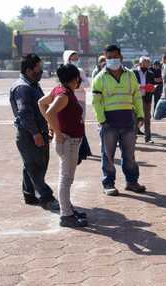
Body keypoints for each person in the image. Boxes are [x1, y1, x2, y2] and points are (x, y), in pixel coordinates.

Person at [92, 45, 146, 196]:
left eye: (115, 57)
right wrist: (102, 120)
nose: (112, 60)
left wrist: (140, 115)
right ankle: (108, 184)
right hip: (108, 123)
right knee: (108, 155)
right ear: (105, 58)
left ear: (121, 57)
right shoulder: (99, 78)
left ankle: (132, 182)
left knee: (129, 154)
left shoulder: (130, 75)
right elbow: (96, 102)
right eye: (109, 57)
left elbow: (136, 96)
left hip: (128, 121)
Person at [38, 64, 88, 228]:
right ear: (74, 79)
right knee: (66, 179)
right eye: (78, 78)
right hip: (68, 142)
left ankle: (68, 210)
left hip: (69, 141)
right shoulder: (64, 95)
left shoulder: (58, 90)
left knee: (66, 178)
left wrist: (53, 127)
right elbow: (50, 111)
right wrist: (56, 131)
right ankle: (66, 215)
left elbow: (41, 103)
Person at [9, 53, 59, 211]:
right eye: (39, 68)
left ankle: (29, 194)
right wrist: (35, 134)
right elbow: (25, 113)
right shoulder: (23, 87)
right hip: (29, 134)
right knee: (35, 166)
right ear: (29, 70)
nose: (41, 71)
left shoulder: (32, 84)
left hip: (37, 131)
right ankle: (46, 197)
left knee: (32, 164)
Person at [63, 50, 92, 163]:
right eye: (73, 58)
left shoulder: (80, 71)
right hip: (67, 100)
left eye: (76, 58)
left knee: (80, 123)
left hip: (80, 100)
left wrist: (75, 84)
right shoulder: (64, 71)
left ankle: (82, 149)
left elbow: (87, 84)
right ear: (67, 59)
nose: (75, 60)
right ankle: (81, 149)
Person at [133, 56, 157, 143]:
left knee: (147, 118)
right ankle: (133, 137)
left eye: (148, 63)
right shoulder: (133, 72)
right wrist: (141, 86)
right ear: (140, 63)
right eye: (145, 63)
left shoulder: (150, 73)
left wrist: (153, 88)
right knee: (136, 118)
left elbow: (153, 84)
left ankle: (148, 138)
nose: (146, 65)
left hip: (147, 98)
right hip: (136, 98)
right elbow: (132, 85)